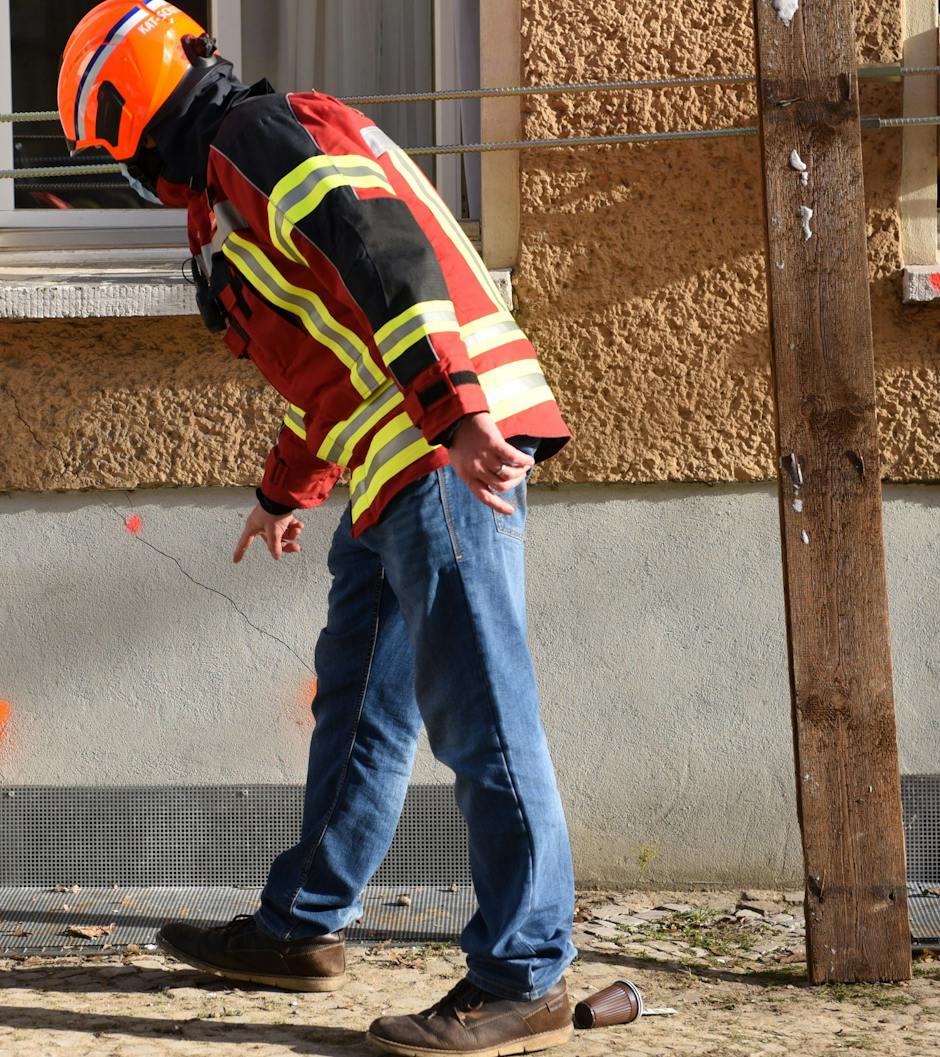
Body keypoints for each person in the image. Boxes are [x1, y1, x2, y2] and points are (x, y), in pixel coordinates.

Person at [58, 3, 577, 1053]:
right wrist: (284, 490)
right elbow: (330, 357)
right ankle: (299, 926)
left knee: (480, 711)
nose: (117, 168)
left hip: (440, 444)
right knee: (358, 706)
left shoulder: (254, 139)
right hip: (398, 453)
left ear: (126, 113)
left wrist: (456, 414)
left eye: (105, 145)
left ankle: (524, 975)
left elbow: (377, 249)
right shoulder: (232, 182)